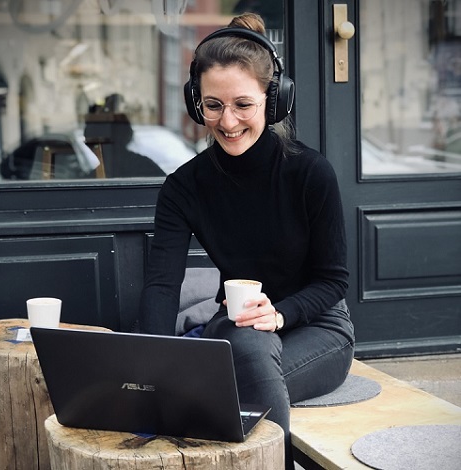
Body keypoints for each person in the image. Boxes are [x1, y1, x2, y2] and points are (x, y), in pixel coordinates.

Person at [139, 12, 354, 469]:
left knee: (230, 378)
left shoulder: (311, 173)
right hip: (236, 329)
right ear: (196, 104)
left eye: (243, 104)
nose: (228, 120)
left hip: (319, 328)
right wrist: (153, 367)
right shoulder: (183, 186)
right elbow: (162, 283)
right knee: (244, 348)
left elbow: (333, 280)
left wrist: (280, 312)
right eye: (212, 105)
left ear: (273, 101)